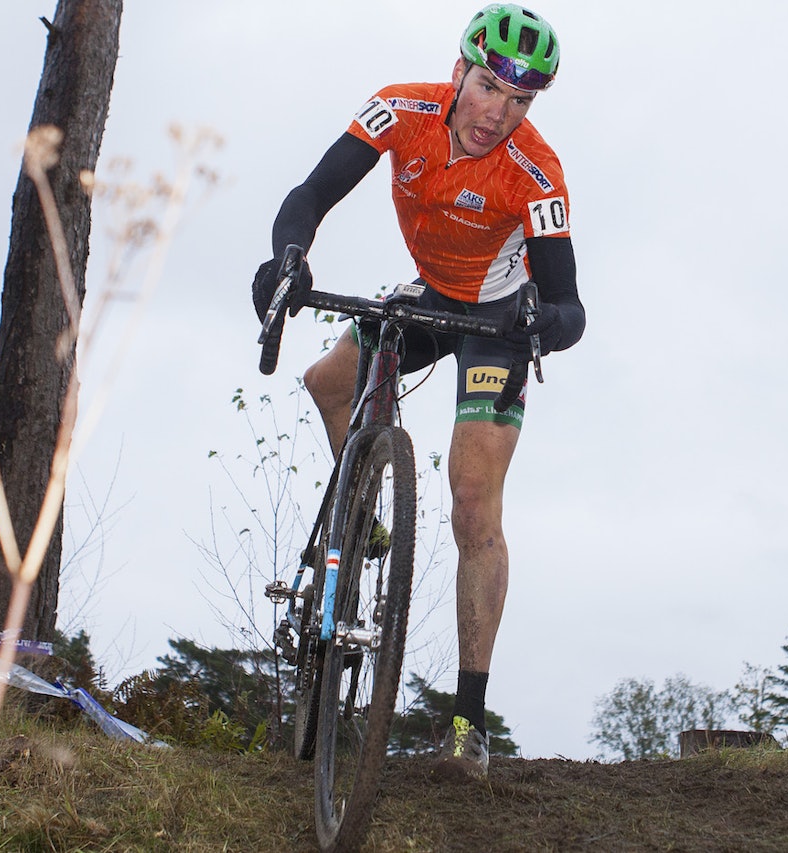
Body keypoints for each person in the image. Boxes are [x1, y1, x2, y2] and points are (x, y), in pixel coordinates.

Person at [252, 3, 584, 780]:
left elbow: (570, 304)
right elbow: (310, 193)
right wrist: (290, 259)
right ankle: (363, 516)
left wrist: (543, 320)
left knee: (472, 500)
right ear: (459, 69)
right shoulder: (400, 108)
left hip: (500, 317)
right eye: (488, 87)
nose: (498, 113)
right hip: (430, 293)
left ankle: (468, 724)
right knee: (327, 379)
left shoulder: (536, 170)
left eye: (521, 100)